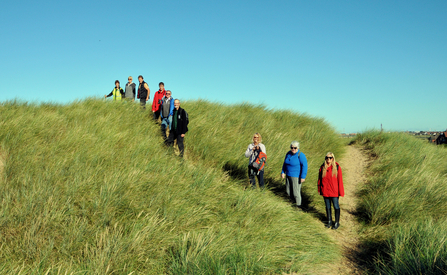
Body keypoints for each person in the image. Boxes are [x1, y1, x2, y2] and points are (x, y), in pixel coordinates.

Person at [318, 152, 344, 229]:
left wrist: (341, 192)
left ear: (333, 158)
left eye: (330, 158)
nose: (328, 159)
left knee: (336, 206)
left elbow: (340, 180)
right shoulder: (322, 167)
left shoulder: (337, 167)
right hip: (325, 190)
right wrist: (320, 189)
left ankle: (336, 222)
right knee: (327, 206)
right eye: (327, 157)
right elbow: (319, 179)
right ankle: (329, 221)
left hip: (334, 191)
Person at [281, 141, 308, 210]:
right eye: (292, 147)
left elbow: (305, 166)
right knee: (288, 191)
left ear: (298, 148)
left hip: (296, 176)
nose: (293, 149)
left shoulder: (300, 155)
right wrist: (283, 172)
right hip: (288, 175)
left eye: (295, 148)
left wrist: (303, 177)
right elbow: (285, 163)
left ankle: (298, 206)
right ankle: (292, 203)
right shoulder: (288, 154)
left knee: (296, 192)